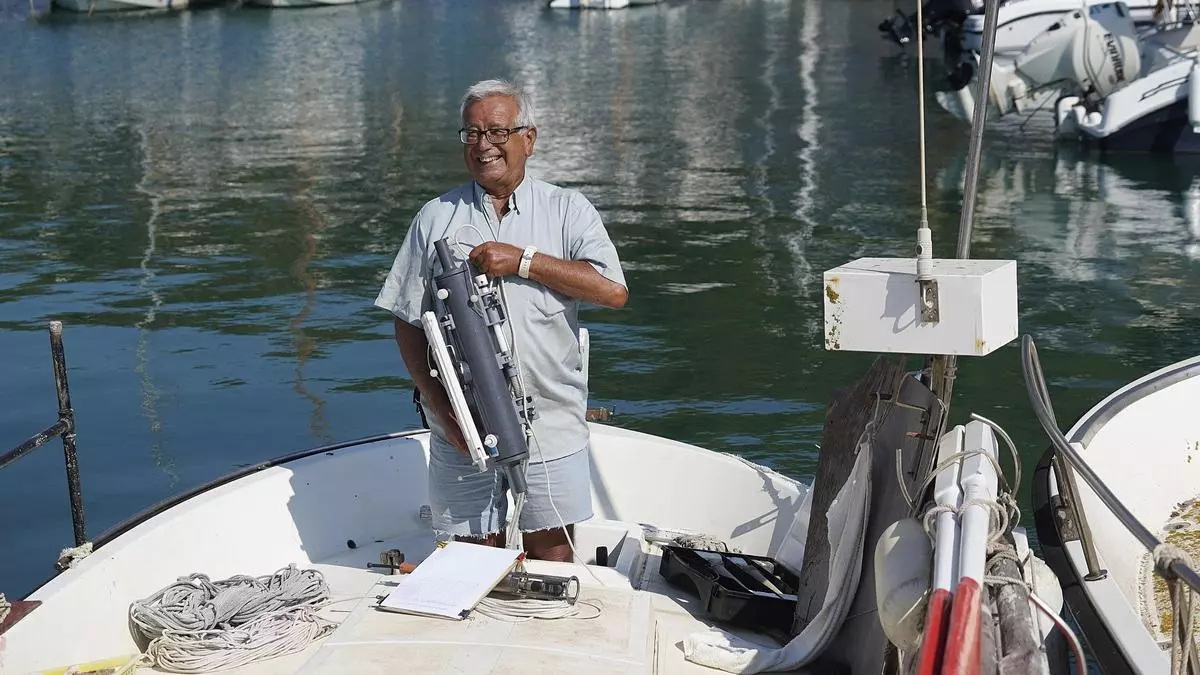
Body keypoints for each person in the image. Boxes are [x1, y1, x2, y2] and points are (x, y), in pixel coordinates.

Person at [374, 79, 628, 562]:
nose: (483, 144)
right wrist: (440, 406)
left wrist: (523, 261)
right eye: (471, 133)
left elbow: (612, 290)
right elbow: (407, 321)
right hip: (462, 424)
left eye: (496, 131)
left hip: (550, 418)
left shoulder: (567, 209)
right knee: (471, 558)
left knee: (553, 557)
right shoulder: (435, 217)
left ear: (528, 139)